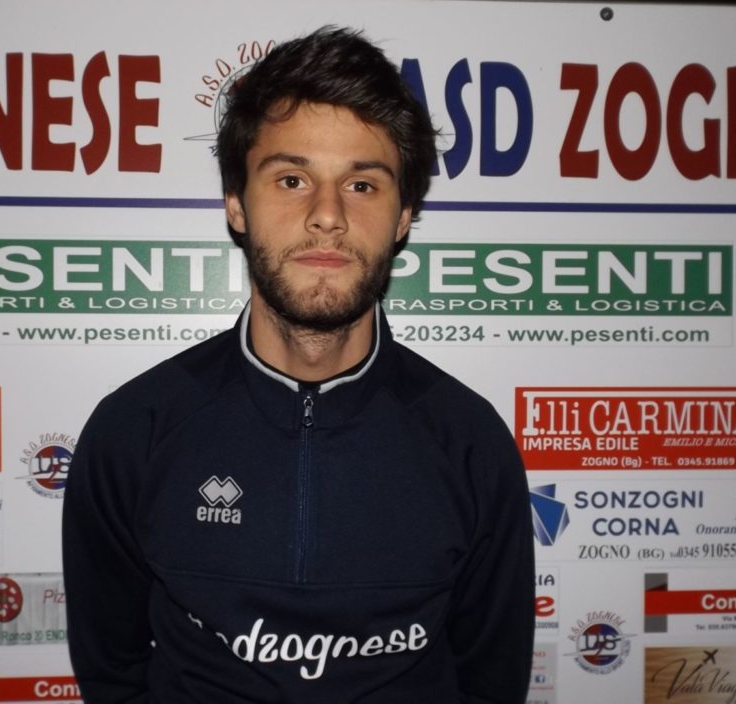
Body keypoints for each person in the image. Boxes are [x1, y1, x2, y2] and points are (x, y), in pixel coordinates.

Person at [62, 26, 534, 704]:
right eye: (291, 179)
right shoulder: (135, 430)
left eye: (362, 185)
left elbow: (491, 684)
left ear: (403, 216)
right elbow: (112, 676)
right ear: (236, 204)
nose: (327, 215)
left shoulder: (469, 442)